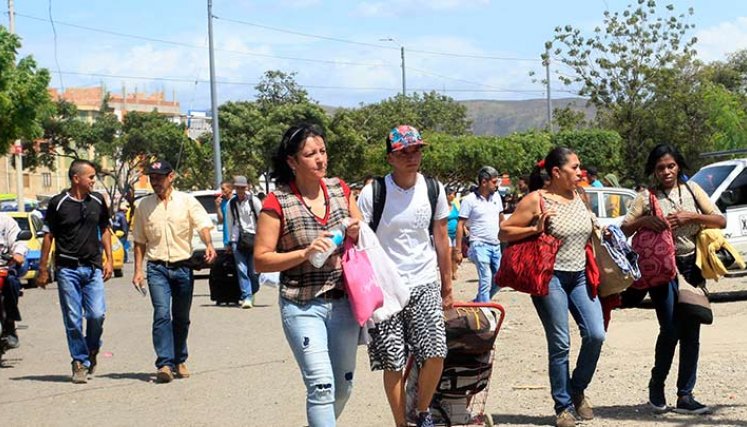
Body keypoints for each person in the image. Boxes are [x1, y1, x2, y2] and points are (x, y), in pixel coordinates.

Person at [254, 123, 362, 427]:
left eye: (323, 151)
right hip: (301, 305)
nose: (320, 159)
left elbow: (361, 227)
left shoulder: (340, 189)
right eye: (310, 154)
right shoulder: (278, 202)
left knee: (343, 387)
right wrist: (303, 253)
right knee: (321, 385)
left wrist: (355, 229)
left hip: (343, 303)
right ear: (292, 161)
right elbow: (261, 260)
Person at [499, 148, 606, 427]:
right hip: (550, 277)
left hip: (581, 275)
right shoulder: (536, 200)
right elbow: (504, 232)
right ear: (556, 172)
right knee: (560, 343)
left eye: (580, 166)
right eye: (574, 168)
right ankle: (564, 407)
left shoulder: (581, 196)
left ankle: (577, 389)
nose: (580, 172)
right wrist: (534, 229)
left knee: (596, 334)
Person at [358, 125, 453, 427]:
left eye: (417, 150)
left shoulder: (433, 189)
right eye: (404, 152)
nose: (412, 157)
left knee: (435, 352)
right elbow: (360, 241)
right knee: (393, 362)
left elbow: (441, 237)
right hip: (386, 289)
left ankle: (422, 412)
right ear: (390, 158)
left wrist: (447, 286)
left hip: (424, 280)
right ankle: (402, 423)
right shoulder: (374, 193)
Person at [621, 143, 724, 415]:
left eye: (671, 166)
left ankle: (685, 395)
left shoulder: (693, 191)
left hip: (692, 268)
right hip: (661, 270)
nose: (666, 172)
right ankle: (657, 386)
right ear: (653, 171)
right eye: (660, 168)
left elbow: (720, 220)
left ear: (678, 166)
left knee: (692, 330)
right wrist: (645, 222)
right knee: (670, 329)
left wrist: (692, 216)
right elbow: (624, 228)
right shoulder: (646, 197)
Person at [131, 159, 217, 383]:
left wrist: (208, 244)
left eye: (159, 177)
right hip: (157, 267)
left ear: (171, 177)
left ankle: (180, 359)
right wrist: (137, 270)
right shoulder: (143, 207)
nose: (155, 182)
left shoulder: (187, 201)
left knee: (181, 317)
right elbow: (139, 241)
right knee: (161, 314)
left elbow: (203, 225)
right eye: (152, 178)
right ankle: (165, 364)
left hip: (183, 267)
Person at [38, 159, 114, 384]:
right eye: (90, 177)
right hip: (67, 269)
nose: (93, 181)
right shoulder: (58, 203)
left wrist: (109, 259)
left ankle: (91, 349)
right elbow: (48, 236)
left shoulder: (98, 201)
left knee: (96, 314)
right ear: (76, 178)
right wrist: (43, 269)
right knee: (72, 318)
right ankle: (79, 361)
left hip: (92, 268)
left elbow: (105, 229)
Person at [455, 166, 505, 302]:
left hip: (496, 244)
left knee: (502, 278)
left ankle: (479, 302)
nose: (497, 185)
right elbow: (460, 224)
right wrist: (458, 250)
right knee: (486, 278)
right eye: (494, 182)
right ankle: (485, 309)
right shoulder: (469, 200)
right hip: (479, 244)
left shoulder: (497, 198)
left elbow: (501, 220)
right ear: (484, 182)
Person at [226, 175, 262, 309]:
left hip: (254, 238)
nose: (240, 190)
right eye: (238, 188)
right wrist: (229, 241)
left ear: (247, 187)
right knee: (241, 270)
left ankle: (253, 290)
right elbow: (230, 222)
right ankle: (246, 296)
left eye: (242, 187)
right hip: (238, 239)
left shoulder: (255, 201)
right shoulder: (232, 203)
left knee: (253, 271)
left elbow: (262, 219)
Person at [0, 213, 28, 351]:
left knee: (12, 282)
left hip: (5, 265)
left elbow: (19, 242)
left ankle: (10, 325)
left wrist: (18, 253)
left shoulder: (6, 221)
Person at [446, 186, 461, 281]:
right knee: (448, 253)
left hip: (456, 233)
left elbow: (460, 218)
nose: (453, 196)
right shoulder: (442, 207)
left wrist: (463, 229)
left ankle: (454, 271)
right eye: (452, 194)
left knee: (455, 253)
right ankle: (448, 272)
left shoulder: (455, 205)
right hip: (446, 233)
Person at [214, 179, 233, 250]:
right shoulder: (223, 202)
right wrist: (218, 207)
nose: (222, 191)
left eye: (223, 189)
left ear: (230, 189)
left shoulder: (235, 201)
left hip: (236, 238)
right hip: (226, 238)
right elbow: (221, 220)